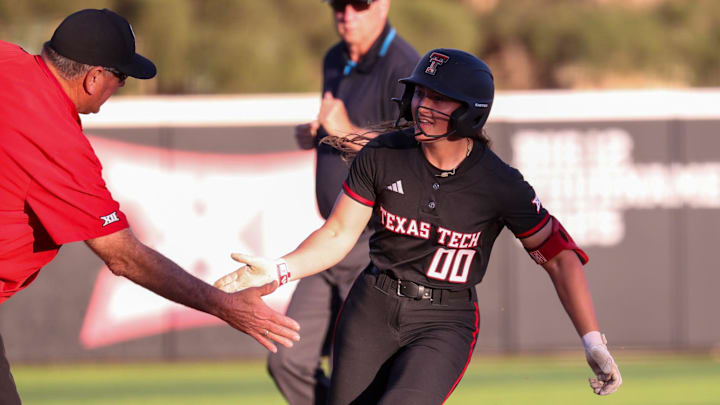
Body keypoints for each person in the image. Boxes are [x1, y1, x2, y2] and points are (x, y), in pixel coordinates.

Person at [216, 48, 622, 404]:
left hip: (444, 320)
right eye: (422, 93)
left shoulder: (499, 184)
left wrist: (592, 341)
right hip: (372, 305)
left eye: (440, 98)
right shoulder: (383, 154)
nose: (423, 105)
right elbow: (338, 234)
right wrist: (280, 269)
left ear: (471, 111)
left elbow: (558, 257)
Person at [0, 8, 300, 403]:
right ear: (93, 78)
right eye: (120, 77)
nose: (120, 86)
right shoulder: (58, 141)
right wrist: (224, 305)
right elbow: (124, 256)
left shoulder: (8, 60)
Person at [278, 0, 418, 403]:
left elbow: (415, 153)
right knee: (287, 360)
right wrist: (319, 134)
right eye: (339, 4)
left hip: (376, 241)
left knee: (354, 373)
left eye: (360, 3)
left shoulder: (404, 67)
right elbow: (338, 130)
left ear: (384, 5)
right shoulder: (335, 58)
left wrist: (345, 133)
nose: (347, 13)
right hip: (331, 238)